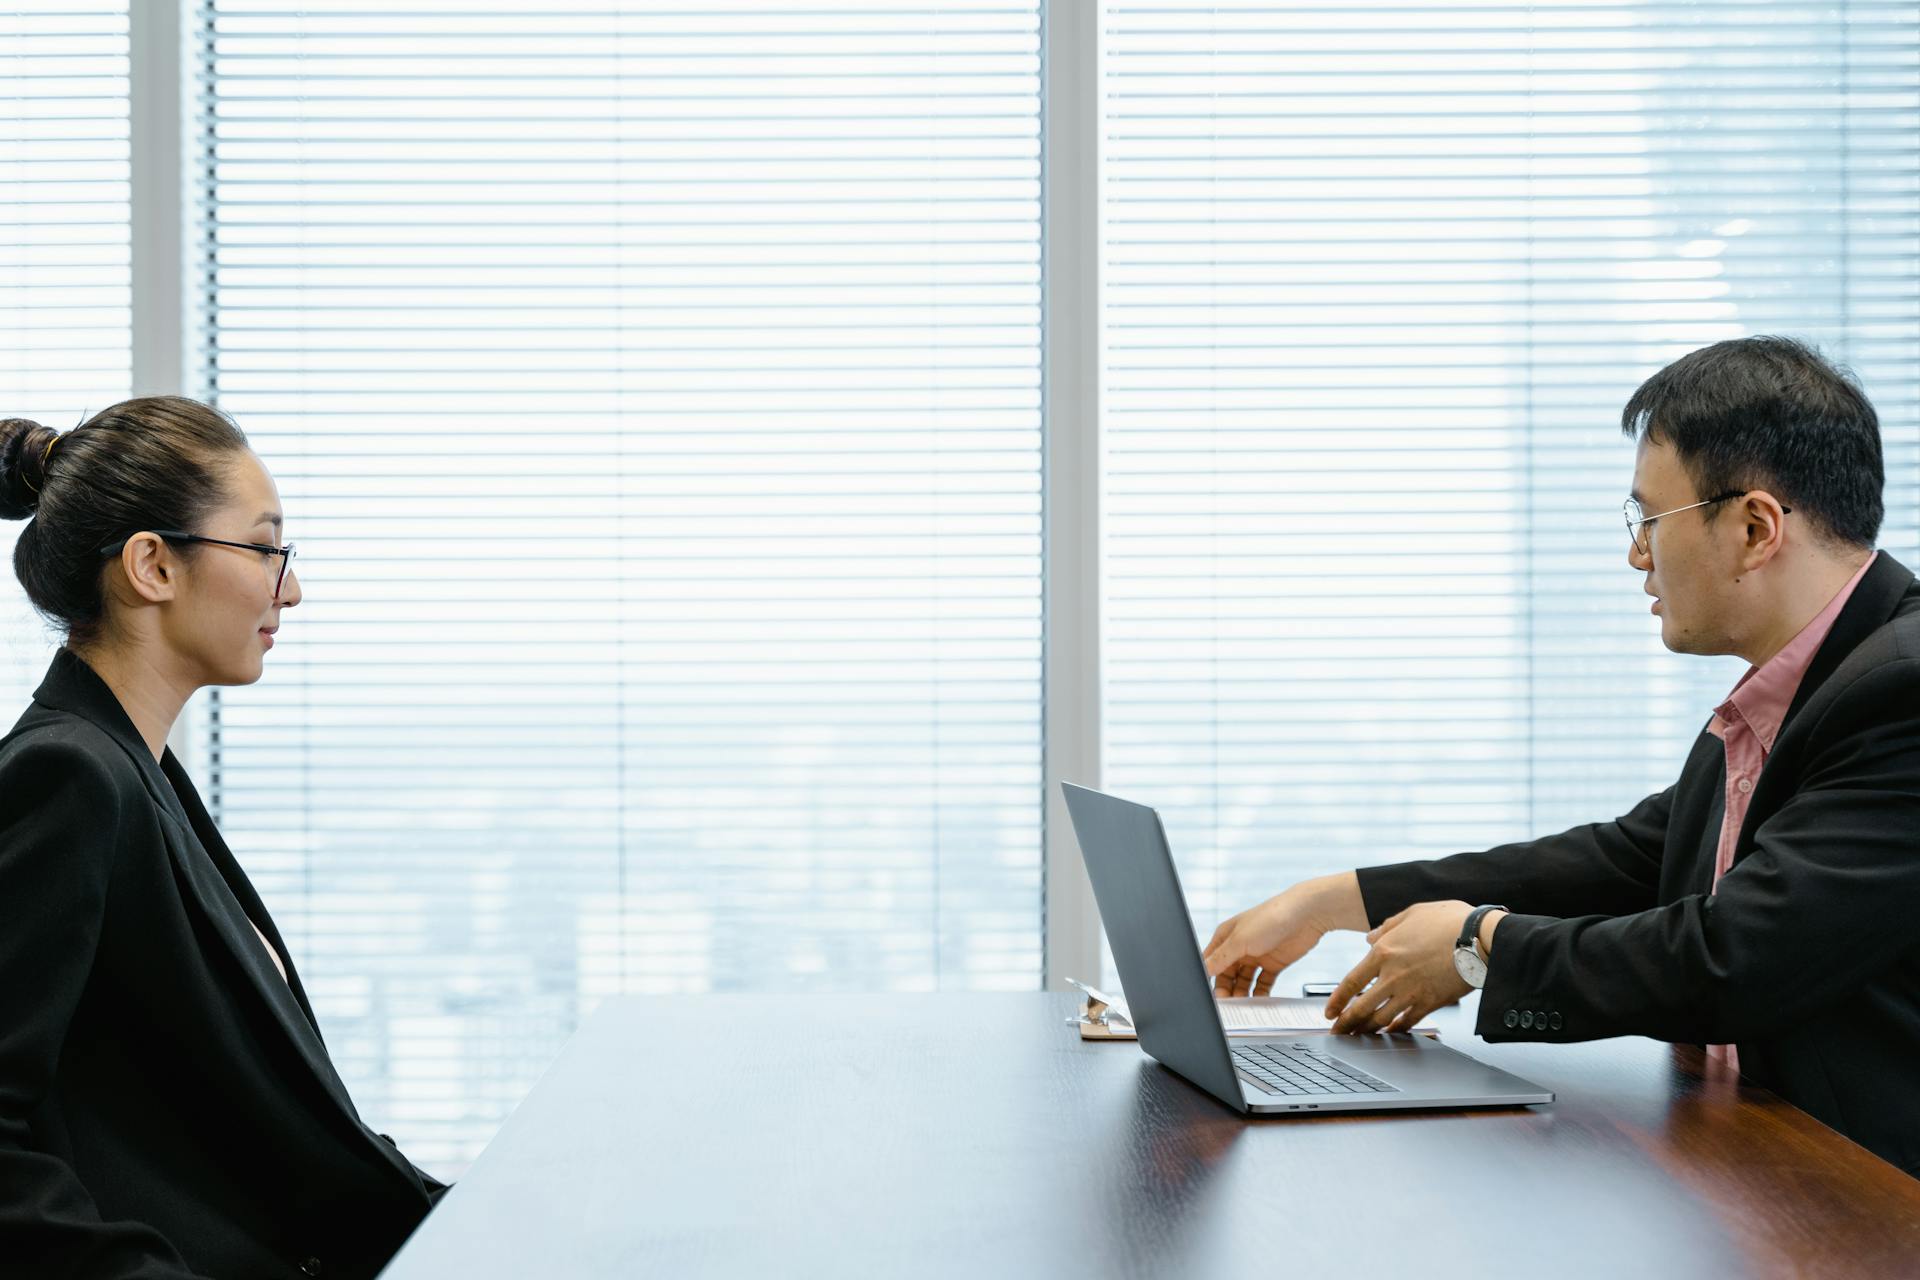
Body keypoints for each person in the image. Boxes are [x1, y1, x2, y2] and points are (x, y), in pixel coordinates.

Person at [1203, 337, 1920, 1176]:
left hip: (1870, 1202)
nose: (1636, 555)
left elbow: (1738, 958)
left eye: (1651, 520)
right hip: (1757, 1168)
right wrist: (1335, 899)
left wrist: (1480, 946)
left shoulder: (1900, 691)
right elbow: (1624, 860)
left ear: (1756, 528)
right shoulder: (1796, 688)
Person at [0, 398, 444, 1277]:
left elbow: (256, 1132)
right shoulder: (69, 776)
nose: (292, 586)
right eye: (266, 547)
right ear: (153, 565)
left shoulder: (138, 773)